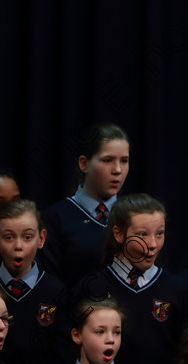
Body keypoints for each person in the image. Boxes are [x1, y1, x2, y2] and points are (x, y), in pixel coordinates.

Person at [72, 193, 188, 364]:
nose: (152, 244)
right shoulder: (93, 287)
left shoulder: (178, 290)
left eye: (159, 233)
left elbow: (185, 356)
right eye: (142, 235)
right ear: (118, 234)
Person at [0, 199, 72, 364]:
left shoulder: (57, 292)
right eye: (9, 237)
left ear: (41, 238)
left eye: (27, 237)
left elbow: (64, 358)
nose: (18, 246)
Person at [42, 123, 130, 286]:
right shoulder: (55, 218)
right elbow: (50, 285)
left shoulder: (134, 216)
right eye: (108, 160)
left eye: (124, 161)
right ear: (84, 163)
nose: (117, 169)